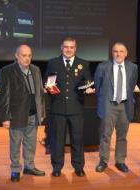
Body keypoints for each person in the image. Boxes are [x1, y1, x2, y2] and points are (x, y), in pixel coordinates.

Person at [45, 37, 94, 177]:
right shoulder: (53, 63)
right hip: (58, 108)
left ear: (75, 48)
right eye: (66, 47)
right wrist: (49, 88)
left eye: (71, 47)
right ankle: (56, 167)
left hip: (76, 108)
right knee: (57, 140)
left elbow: (88, 81)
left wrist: (88, 88)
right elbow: (47, 80)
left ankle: (78, 166)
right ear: (61, 47)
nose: (68, 49)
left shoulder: (83, 64)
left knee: (77, 139)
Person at [0, 44, 46, 182]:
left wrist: (41, 112)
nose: (27, 59)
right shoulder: (7, 71)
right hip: (16, 115)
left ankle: (29, 166)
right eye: (24, 55)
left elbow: (40, 93)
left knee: (30, 143)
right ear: (17, 56)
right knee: (15, 144)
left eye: (29, 56)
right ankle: (15, 170)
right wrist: (5, 117)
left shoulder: (36, 70)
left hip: (33, 114)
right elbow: (3, 96)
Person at [94, 42, 138, 173]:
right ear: (111, 53)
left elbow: (132, 85)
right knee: (105, 135)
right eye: (115, 51)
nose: (118, 54)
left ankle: (120, 161)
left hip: (125, 105)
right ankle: (103, 161)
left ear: (126, 53)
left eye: (121, 51)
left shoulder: (133, 67)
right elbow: (97, 86)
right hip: (109, 105)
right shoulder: (102, 67)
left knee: (122, 135)